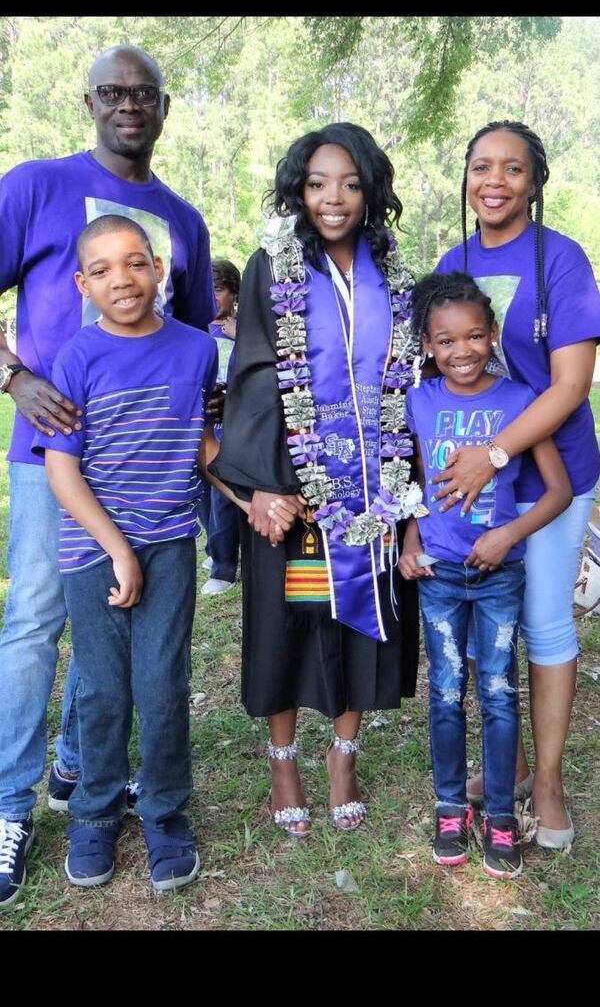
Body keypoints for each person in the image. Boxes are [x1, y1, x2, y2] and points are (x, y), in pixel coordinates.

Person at [0, 45, 216, 909]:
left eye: (147, 94)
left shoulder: (183, 220)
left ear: (164, 108)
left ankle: (85, 766)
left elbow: (193, 361)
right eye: (115, 93)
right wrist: (16, 377)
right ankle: (12, 806)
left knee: (116, 642)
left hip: (155, 489)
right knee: (33, 624)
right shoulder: (36, 185)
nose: (131, 106)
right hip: (53, 461)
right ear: (90, 100)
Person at [210, 123, 422, 836]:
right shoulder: (275, 267)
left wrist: (406, 490)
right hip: (296, 491)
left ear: (371, 191)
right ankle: (282, 759)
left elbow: (407, 381)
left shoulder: (394, 273)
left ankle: (343, 757)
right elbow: (256, 371)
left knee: (358, 630)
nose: (334, 198)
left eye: (351, 183)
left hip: (372, 488)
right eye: (318, 182)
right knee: (289, 622)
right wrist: (265, 484)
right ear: (299, 189)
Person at [32, 215, 218, 890]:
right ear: (83, 283)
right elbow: (61, 471)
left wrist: (259, 497)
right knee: (103, 688)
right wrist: (117, 550)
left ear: (159, 269)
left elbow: (206, 443)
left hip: (169, 539)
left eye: (136, 262)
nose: (123, 280)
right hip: (92, 548)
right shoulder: (77, 357)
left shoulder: (198, 350)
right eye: (103, 269)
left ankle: (165, 809)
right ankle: (95, 812)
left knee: (162, 683)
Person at [433, 121, 600, 848]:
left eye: (511, 168)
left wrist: (494, 455)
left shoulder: (562, 260)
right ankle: (515, 763)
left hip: (548, 471)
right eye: (480, 166)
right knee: (487, 617)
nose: (493, 180)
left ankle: (552, 779)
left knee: (544, 622)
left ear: (535, 179)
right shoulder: (452, 259)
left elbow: (570, 385)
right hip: (475, 482)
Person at [399, 271, 571, 878]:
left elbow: (558, 490)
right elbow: (415, 486)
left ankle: (500, 813)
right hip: (440, 576)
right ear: (426, 345)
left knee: (498, 693)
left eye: (474, 336)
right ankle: (451, 806)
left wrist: (507, 536)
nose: (462, 351)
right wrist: (411, 541)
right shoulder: (418, 402)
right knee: (446, 692)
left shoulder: (518, 400)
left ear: (492, 334)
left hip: (500, 575)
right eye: (446, 342)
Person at [199, 259, 241, 595]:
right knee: (202, 493)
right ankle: (214, 545)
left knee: (223, 492)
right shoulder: (195, 329)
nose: (213, 297)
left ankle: (224, 568)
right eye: (207, 289)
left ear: (234, 292)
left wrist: (240, 336)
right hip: (200, 421)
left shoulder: (245, 329)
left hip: (234, 422)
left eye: (219, 289)